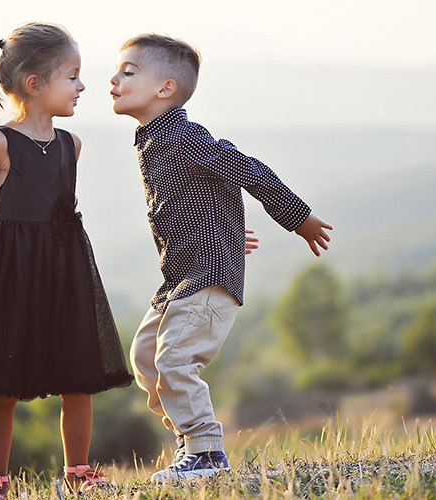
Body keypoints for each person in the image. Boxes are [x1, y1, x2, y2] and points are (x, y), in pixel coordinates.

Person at [109, 33, 333, 482]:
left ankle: (206, 451)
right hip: (181, 277)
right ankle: (190, 444)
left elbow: (246, 169)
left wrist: (298, 217)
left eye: (128, 72)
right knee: (147, 358)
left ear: (165, 89)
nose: (113, 80)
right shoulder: (152, 139)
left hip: (208, 278)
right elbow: (196, 197)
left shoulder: (185, 137)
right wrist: (225, 232)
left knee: (174, 360)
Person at [0, 22, 132, 499]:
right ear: (35, 85)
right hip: (8, 275)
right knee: (2, 385)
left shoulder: (70, 145)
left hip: (63, 274)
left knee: (78, 375)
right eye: (72, 76)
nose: (82, 87)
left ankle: (77, 472)